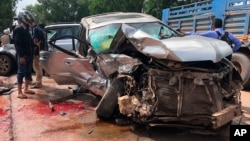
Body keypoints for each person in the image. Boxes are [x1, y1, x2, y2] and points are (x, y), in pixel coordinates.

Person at [13, 11, 36, 99]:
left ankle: (26, 89)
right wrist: (21, 56)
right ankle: (19, 92)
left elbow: (30, 41)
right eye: (28, 19)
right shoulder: (18, 29)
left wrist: (34, 46)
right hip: (23, 56)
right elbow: (17, 44)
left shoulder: (27, 29)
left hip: (29, 54)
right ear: (23, 19)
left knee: (28, 72)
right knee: (21, 73)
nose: (29, 21)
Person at [29, 14, 46, 89]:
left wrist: (33, 47)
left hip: (36, 50)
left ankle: (38, 83)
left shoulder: (35, 29)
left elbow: (35, 41)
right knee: (38, 66)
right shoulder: (40, 28)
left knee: (36, 66)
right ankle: (38, 82)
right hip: (41, 49)